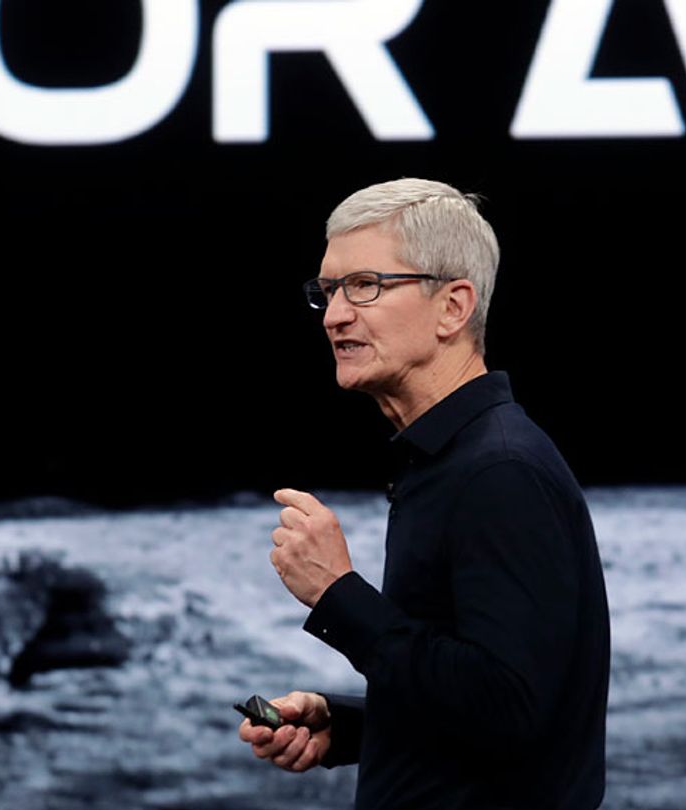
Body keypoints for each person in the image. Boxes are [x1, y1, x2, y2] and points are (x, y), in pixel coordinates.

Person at [237, 178, 610, 809]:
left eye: (365, 286)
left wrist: (338, 595)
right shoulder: (454, 460)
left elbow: (513, 713)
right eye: (327, 292)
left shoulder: (499, 472)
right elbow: (477, 696)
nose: (334, 315)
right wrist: (349, 726)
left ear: (453, 307)